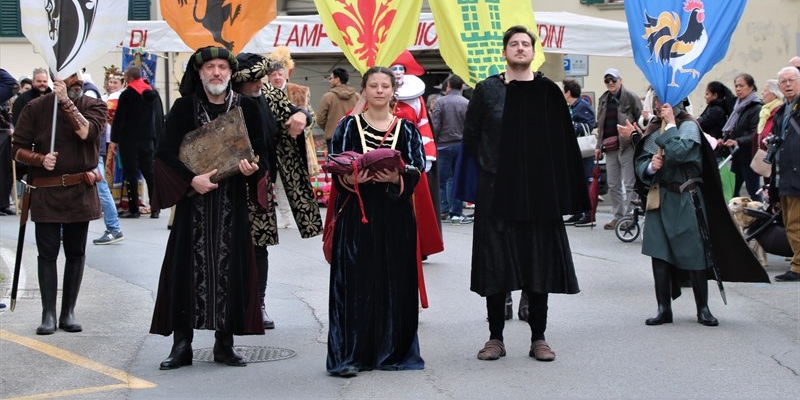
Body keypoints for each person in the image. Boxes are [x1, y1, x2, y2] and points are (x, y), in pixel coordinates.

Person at [463, 26, 589, 362]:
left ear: (534, 52)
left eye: (525, 44)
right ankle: (495, 338)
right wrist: (491, 169)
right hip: (496, 189)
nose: (520, 48)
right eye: (514, 44)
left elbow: (563, 146)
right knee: (495, 262)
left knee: (539, 262)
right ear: (504, 52)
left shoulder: (548, 92)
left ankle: (539, 338)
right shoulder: (487, 90)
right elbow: (471, 137)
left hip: (539, 192)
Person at [149, 46, 269, 369]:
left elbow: (260, 153)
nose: (216, 73)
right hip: (193, 207)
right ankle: (182, 345)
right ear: (199, 73)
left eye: (222, 68)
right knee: (184, 271)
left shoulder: (248, 108)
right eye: (210, 68)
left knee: (232, 272)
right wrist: (191, 181)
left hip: (232, 205)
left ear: (230, 73)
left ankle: (224, 344)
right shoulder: (183, 108)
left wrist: (251, 169)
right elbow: (164, 154)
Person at [632, 97, 769, 326]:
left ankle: (703, 309)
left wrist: (672, 126)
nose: (658, 105)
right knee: (659, 254)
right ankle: (664, 309)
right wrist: (649, 166)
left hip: (687, 197)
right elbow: (642, 160)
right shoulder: (655, 127)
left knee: (695, 253)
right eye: (656, 100)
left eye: (662, 101)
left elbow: (680, 153)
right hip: (661, 197)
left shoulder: (689, 126)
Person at [326, 66, 426, 377]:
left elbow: (419, 165)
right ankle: (351, 354)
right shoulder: (347, 126)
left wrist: (398, 174)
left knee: (396, 281)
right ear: (365, 90)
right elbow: (336, 160)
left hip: (395, 214)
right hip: (358, 213)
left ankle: (393, 351)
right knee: (355, 283)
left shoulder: (407, 129)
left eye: (385, 86)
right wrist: (354, 174)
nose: (380, 90)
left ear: (393, 91)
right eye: (374, 85)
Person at [231, 52, 322, 330]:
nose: (261, 83)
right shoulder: (224, 99)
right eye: (254, 80)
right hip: (225, 185)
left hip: (260, 183)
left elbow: (301, 115)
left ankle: (258, 304)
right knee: (226, 245)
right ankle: (225, 305)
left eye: (262, 78)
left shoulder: (268, 93)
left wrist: (301, 116)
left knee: (259, 246)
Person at [12, 71, 107, 335]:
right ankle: (48, 314)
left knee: (75, 252)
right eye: (68, 78)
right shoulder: (35, 107)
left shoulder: (94, 105)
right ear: (56, 78)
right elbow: (16, 148)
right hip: (46, 191)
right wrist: (39, 159)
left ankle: (68, 312)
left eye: (77, 77)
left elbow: (87, 133)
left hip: (80, 190)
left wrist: (66, 103)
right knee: (48, 252)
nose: (75, 82)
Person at [111, 65, 162, 218]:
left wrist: (114, 140)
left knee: (131, 174)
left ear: (130, 78)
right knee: (149, 173)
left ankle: (134, 209)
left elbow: (120, 119)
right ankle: (155, 208)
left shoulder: (127, 94)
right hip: (148, 140)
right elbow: (158, 116)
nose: (124, 78)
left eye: (125, 76)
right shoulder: (152, 92)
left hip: (129, 140)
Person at [595, 68, 643, 230]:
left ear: (620, 80)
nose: (610, 83)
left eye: (613, 80)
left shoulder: (630, 97)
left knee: (629, 183)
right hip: (609, 147)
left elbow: (641, 120)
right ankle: (618, 217)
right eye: (607, 80)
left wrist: (637, 139)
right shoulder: (603, 99)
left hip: (627, 145)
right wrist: (598, 146)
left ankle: (630, 217)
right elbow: (600, 125)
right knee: (613, 184)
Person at [769, 66, 800, 282]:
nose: (787, 85)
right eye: (783, 81)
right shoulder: (782, 110)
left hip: (797, 173)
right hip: (784, 173)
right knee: (790, 223)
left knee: (795, 223)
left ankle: (798, 268)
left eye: (792, 80)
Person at [431, 74, 472, 225]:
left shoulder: (440, 102)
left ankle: (443, 209)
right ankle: (456, 212)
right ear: (461, 87)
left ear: (447, 86)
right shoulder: (467, 103)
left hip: (443, 145)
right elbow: (470, 127)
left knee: (442, 180)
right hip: (461, 145)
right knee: (457, 179)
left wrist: (433, 142)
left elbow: (435, 125)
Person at [92, 66, 126, 245]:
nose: (112, 85)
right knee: (103, 182)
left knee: (102, 184)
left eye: (115, 82)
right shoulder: (104, 97)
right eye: (110, 82)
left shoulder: (119, 97)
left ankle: (114, 227)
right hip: (104, 141)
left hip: (111, 141)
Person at [720, 73, 763, 200]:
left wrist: (737, 141)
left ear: (751, 87)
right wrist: (725, 139)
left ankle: (760, 216)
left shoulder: (756, 107)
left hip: (749, 156)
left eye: (741, 86)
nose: (738, 89)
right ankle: (737, 217)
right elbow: (735, 129)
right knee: (733, 190)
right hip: (737, 155)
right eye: (736, 86)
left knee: (753, 191)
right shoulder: (738, 107)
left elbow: (755, 134)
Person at [562, 79, 597, 227]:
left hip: (583, 150)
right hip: (574, 149)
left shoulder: (582, 105)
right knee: (575, 181)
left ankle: (588, 214)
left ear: (568, 92)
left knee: (585, 180)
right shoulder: (572, 106)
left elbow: (590, 124)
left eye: (564, 91)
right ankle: (577, 212)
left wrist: (572, 125)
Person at [317, 67, 359, 155]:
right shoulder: (357, 96)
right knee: (353, 163)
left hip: (333, 137)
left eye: (331, 78)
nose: (329, 80)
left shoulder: (328, 97)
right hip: (353, 137)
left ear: (337, 80)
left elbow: (320, 118)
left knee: (335, 164)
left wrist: (329, 128)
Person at [697, 81, 734, 159]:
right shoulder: (715, 108)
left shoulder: (716, 110)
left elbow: (700, 122)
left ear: (715, 95)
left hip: (713, 148)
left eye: (707, 94)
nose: (705, 96)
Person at [753, 80, 783, 164]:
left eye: (765, 90)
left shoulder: (778, 111)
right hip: (764, 156)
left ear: (774, 94)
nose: (762, 93)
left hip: (775, 160)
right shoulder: (765, 111)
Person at [0, 67, 17, 216]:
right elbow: (12, 83)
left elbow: (12, 84)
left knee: (4, 169)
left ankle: (2, 203)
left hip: (3, 132)